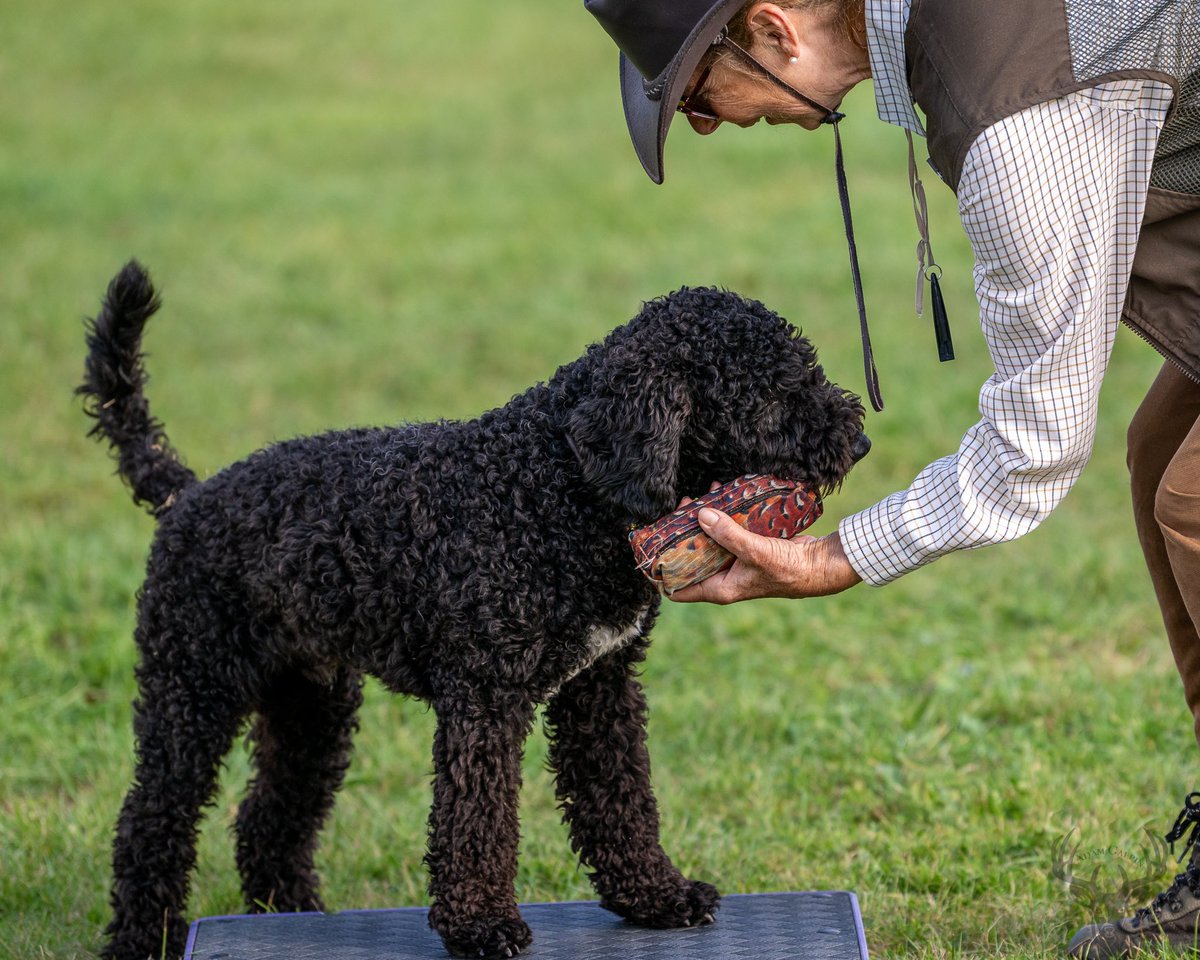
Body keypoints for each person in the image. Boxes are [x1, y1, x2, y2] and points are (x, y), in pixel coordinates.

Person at [584, 1, 1200, 956]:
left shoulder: (1013, 117)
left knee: (1196, 503)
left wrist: (831, 559)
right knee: (1162, 452)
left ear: (775, 27)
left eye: (698, 93)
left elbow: (1035, 444)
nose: (712, 125)